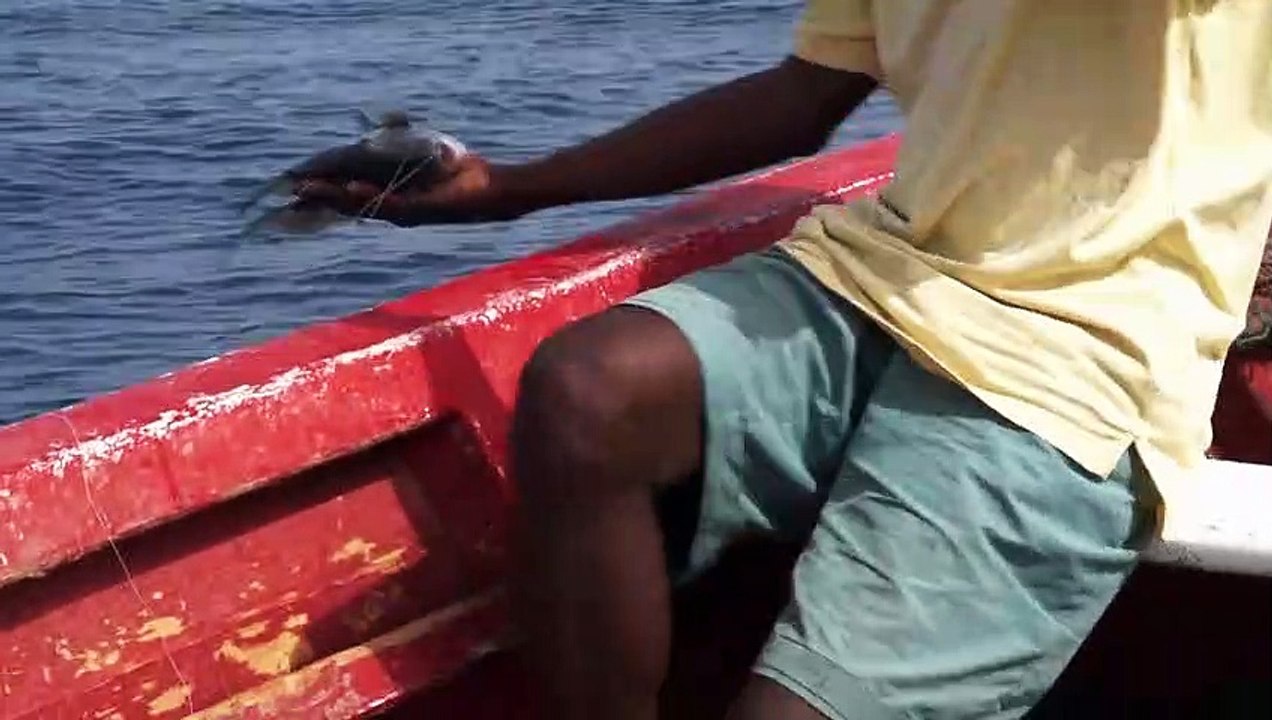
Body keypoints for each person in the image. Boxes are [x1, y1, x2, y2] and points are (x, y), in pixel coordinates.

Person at [297, 2, 1272, 718]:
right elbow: (803, 95)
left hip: (1081, 356)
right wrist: (509, 189)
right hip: (890, 273)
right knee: (587, 393)